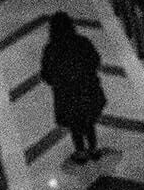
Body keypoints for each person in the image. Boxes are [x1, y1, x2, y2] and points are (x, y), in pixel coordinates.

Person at [40, 11, 106, 164]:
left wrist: (57, 82)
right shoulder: (82, 42)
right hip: (86, 87)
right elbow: (95, 60)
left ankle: (80, 151)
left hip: (66, 92)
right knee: (88, 118)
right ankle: (93, 148)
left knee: (74, 121)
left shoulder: (51, 48)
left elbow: (46, 73)